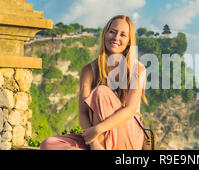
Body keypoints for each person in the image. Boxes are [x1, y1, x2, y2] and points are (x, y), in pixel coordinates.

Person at [40, 15, 148, 150]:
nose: (116, 38)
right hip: (96, 138)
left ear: (129, 41)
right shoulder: (89, 70)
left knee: (100, 91)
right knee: (49, 144)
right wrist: (94, 143)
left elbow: (130, 110)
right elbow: (83, 112)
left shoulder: (137, 69)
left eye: (123, 35)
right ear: (105, 34)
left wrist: (97, 130)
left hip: (127, 135)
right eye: (112, 32)